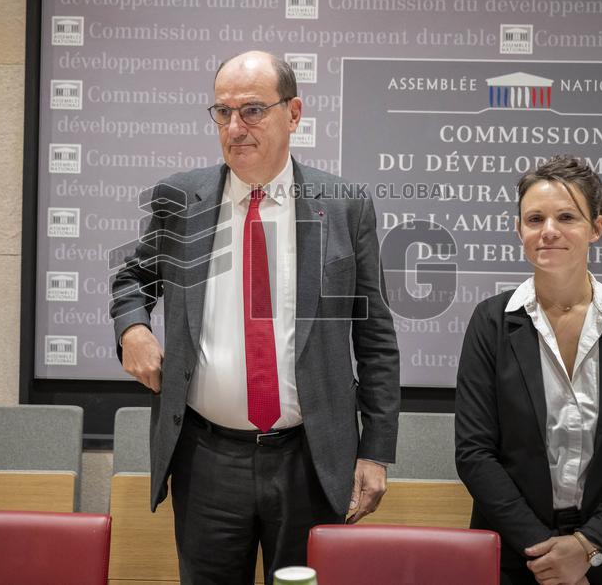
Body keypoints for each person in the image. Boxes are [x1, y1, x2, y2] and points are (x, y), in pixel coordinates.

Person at [110, 50, 400, 585]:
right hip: (206, 458)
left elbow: (376, 337)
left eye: (252, 110)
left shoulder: (344, 205)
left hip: (310, 458)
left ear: (294, 113)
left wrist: (376, 451)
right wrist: (133, 328)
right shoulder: (182, 200)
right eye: (222, 112)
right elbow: (133, 277)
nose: (235, 127)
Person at [455, 155, 602, 585]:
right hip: (516, 557)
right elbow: (475, 452)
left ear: (597, 227)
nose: (548, 230)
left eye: (567, 217)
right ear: (518, 230)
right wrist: (547, 554)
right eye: (534, 218)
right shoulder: (490, 322)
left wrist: (587, 547)